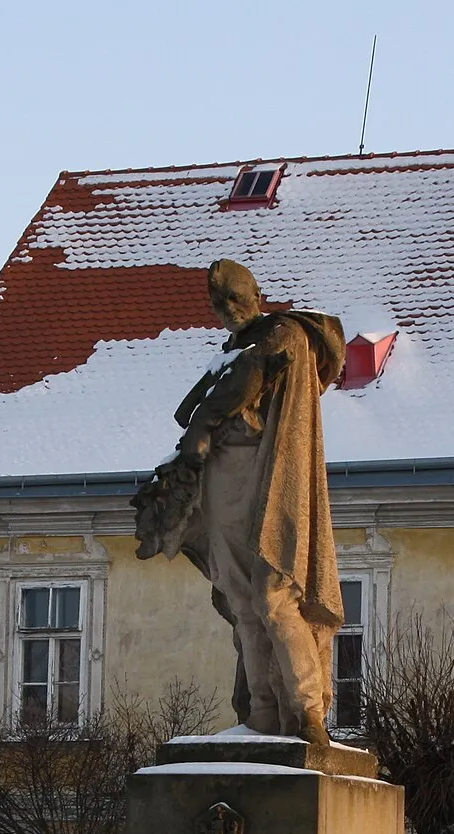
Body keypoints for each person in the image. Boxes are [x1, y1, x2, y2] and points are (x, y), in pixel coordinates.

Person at [133, 260, 347, 744]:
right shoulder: (232, 350)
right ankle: (264, 715)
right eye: (218, 302)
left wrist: (205, 422)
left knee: (275, 595)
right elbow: (192, 406)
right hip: (222, 480)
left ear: (255, 294)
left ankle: (308, 712)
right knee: (242, 599)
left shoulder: (286, 332)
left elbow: (245, 379)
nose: (227, 309)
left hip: (265, 476)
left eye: (235, 297)